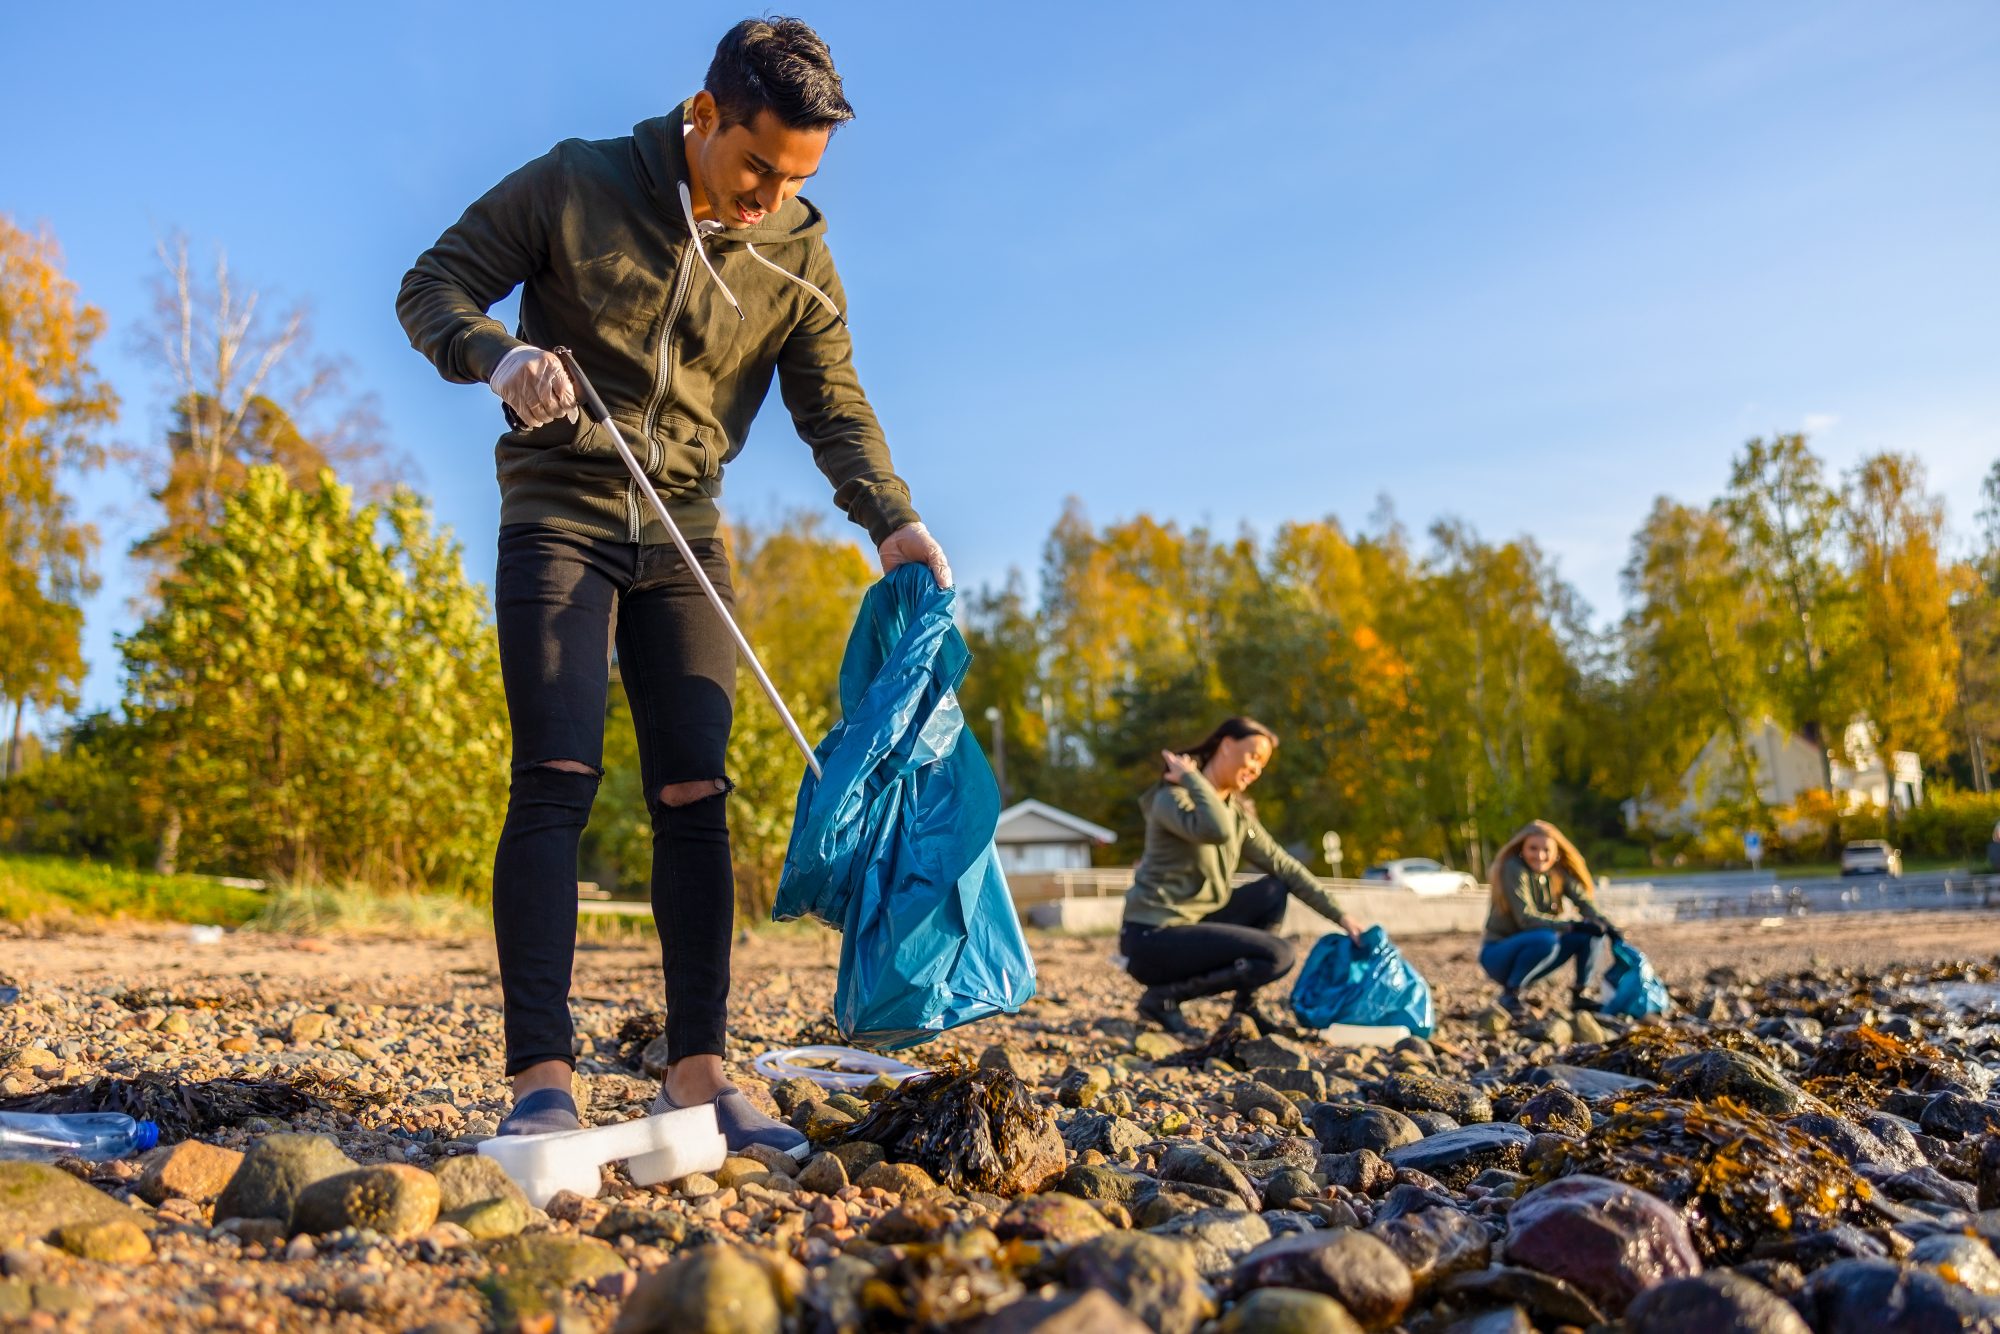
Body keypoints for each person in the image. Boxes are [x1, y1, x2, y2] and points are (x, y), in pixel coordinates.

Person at [396, 18, 951, 1150]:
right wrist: (497, 356)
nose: (768, 198)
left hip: (684, 529)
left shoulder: (795, 249)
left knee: (698, 789)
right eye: (758, 165)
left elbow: (832, 405)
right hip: (560, 508)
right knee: (555, 771)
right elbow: (432, 285)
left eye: (795, 179)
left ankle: (696, 1069)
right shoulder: (576, 183)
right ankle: (540, 1078)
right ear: (703, 116)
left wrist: (891, 520)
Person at [1119, 717, 1363, 1037]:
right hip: (1152, 939)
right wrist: (1192, 778)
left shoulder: (1237, 815)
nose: (1257, 769)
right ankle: (1163, 998)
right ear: (1226, 745)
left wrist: (1342, 916)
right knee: (1278, 955)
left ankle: (1246, 1005)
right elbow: (1215, 830)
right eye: (1253, 757)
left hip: (1195, 926)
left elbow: (1284, 865)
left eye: (1263, 764)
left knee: (1274, 889)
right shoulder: (1172, 798)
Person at [1480, 820, 1616, 1017]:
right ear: (1522, 848)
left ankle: (1580, 995)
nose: (1540, 856)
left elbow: (1585, 903)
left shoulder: (1557, 873)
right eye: (1533, 849)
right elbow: (1526, 919)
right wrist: (1572, 925)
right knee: (1547, 938)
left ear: (1556, 852)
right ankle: (1511, 993)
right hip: (1499, 955)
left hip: (1537, 955)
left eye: (1546, 850)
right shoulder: (1513, 868)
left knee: (1591, 934)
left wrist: (1607, 926)